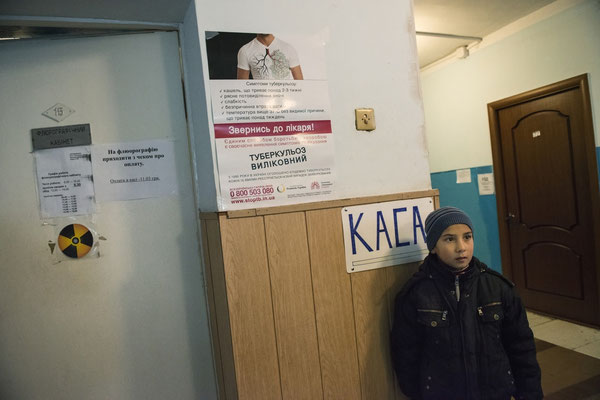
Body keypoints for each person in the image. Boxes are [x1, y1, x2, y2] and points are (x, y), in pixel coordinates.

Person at [390, 206, 543, 400]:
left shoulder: (499, 288)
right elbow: (406, 354)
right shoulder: (416, 294)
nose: (461, 247)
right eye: (449, 239)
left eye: (467, 237)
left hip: (494, 392)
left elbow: (521, 347)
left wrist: (530, 394)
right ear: (433, 247)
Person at [237, 34, 303, 80]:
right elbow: (242, 86)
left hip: (285, 98)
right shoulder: (245, 50)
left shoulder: (288, 48)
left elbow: (300, 83)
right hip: (260, 98)